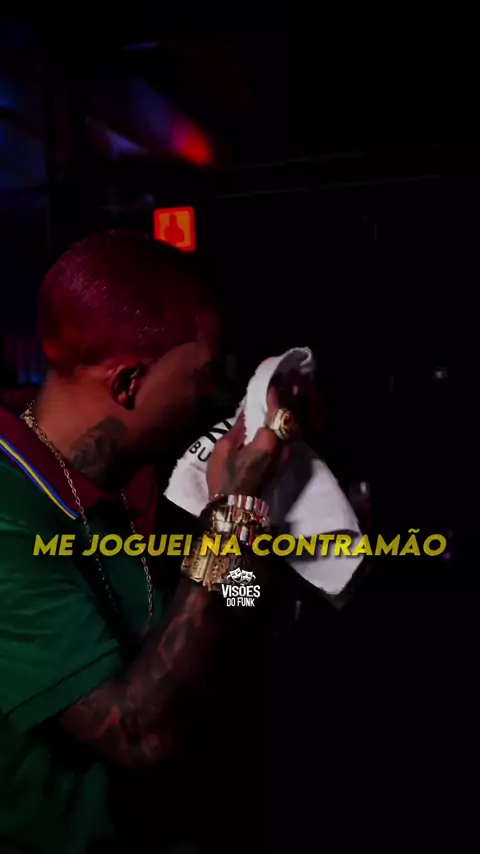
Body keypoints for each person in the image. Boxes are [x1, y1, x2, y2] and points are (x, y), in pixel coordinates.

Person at [0, 230, 308, 854]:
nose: (212, 395)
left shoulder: (148, 469)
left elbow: (236, 611)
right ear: (128, 383)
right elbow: (139, 733)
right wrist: (231, 517)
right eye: (201, 374)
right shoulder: (10, 515)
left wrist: (247, 528)